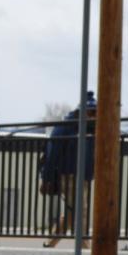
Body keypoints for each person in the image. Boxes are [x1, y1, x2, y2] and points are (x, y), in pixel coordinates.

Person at [39, 94, 96, 247]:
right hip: (68, 174)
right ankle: (85, 247)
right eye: (91, 113)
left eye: (95, 113)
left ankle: (50, 243)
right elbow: (52, 153)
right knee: (81, 210)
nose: (93, 117)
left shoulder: (92, 130)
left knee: (72, 213)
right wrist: (47, 177)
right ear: (82, 112)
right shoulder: (65, 127)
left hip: (83, 176)